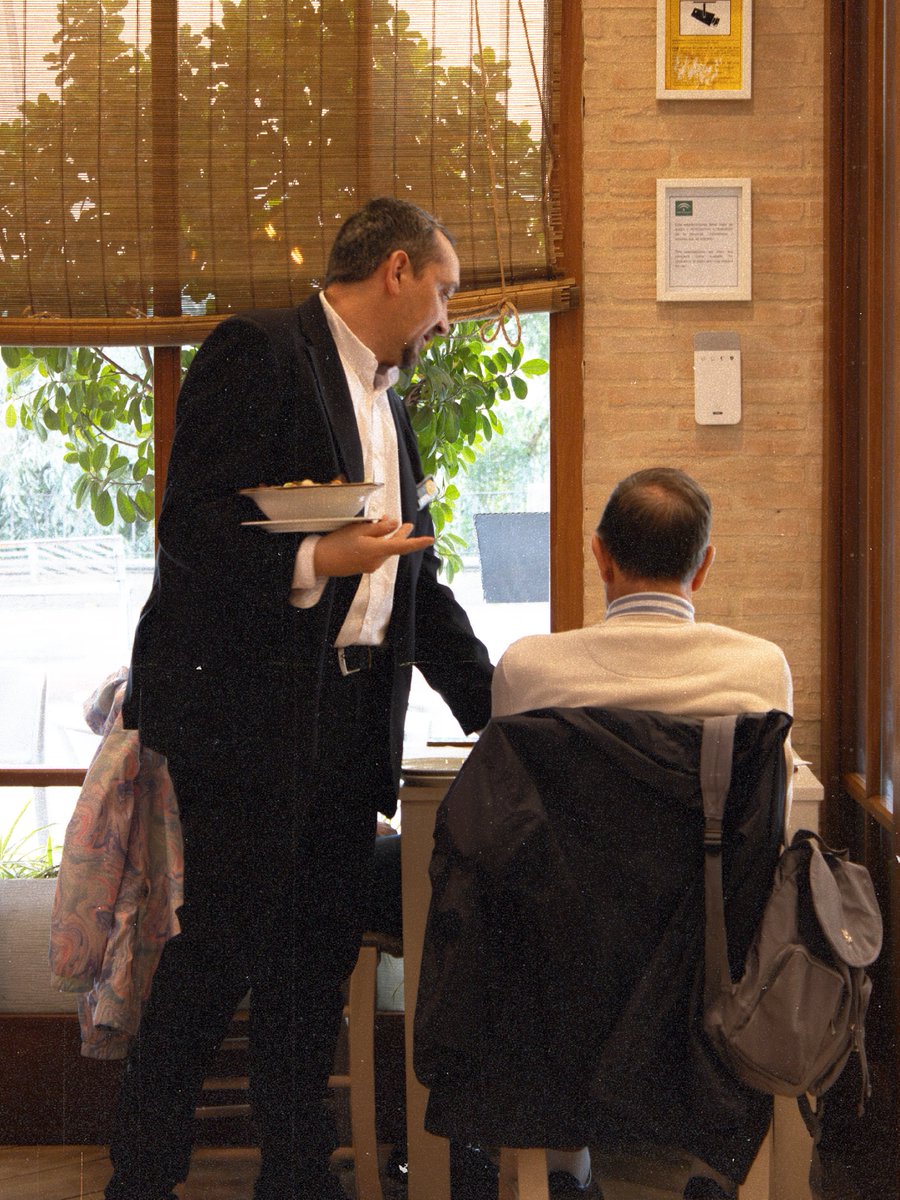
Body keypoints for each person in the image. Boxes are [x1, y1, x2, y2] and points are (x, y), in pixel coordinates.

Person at [108, 198, 494, 1200]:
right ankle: (139, 1180)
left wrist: (502, 715)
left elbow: (415, 582)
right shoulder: (260, 351)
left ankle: (296, 1175)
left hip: (353, 722)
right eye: (444, 290)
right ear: (397, 270)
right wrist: (319, 556)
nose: (447, 316)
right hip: (249, 719)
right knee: (219, 957)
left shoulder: (391, 404)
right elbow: (192, 529)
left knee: (313, 969)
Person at [490, 466, 794, 1200]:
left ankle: (561, 1169)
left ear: (600, 555)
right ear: (705, 564)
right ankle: (716, 1172)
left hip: (564, 975)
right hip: (711, 977)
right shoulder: (760, 670)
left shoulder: (529, 669)